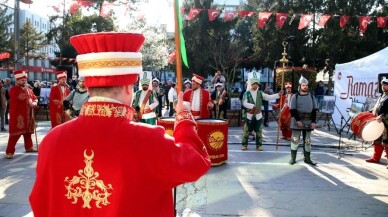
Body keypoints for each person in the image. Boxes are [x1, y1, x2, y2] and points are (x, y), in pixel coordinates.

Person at [29, 32, 211, 217]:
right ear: (128, 87)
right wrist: (184, 116)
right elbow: (195, 162)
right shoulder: (148, 140)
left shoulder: (51, 140)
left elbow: (40, 202)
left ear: (89, 87)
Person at [241, 72, 282, 151]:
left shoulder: (260, 93)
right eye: (254, 84)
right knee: (246, 131)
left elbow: (268, 97)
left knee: (259, 131)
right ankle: (244, 144)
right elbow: (244, 103)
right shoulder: (246, 93)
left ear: (258, 85)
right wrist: (252, 106)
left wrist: (278, 95)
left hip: (258, 115)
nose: (255, 85)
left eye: (257, 84)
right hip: (249, 115)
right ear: (251, 84)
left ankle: (259, 145)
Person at [5, 70, 38, 159]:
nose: (24, 81)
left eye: (25, 80)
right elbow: (20, 97)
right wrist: (25, 90)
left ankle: (29, 147)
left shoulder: (29, 90)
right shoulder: (14, 89)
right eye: (22, 80)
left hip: (28, 115)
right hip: (18, 115)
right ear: (17, 81)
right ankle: (9, 151)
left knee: (28, 133)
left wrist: (34, 102)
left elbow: (35, 98)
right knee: (15, 134)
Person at [289, 76, 318, 165]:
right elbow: (292, 110)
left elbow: (314, 110)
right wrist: (298, 120)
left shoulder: (312, 96)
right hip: (297, 121)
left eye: (306, 85)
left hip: (308, 121)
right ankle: (293, 158)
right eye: (303, 85)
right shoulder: (295, 96)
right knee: (295, 140)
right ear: (300, 86)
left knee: (308, 141)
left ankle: (307, 158)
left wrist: (313, 122)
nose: (305, 87)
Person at [365, 78, 388, 168]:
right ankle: (376, 158)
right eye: (382, 85)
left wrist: (382, 116)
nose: (383, 86)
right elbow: (378, 107)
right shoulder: (382, 95)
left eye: (385, 85)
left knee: (386, 142)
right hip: (378, 122)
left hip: (386, 123)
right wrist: (371, 112)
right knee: (377, 140)